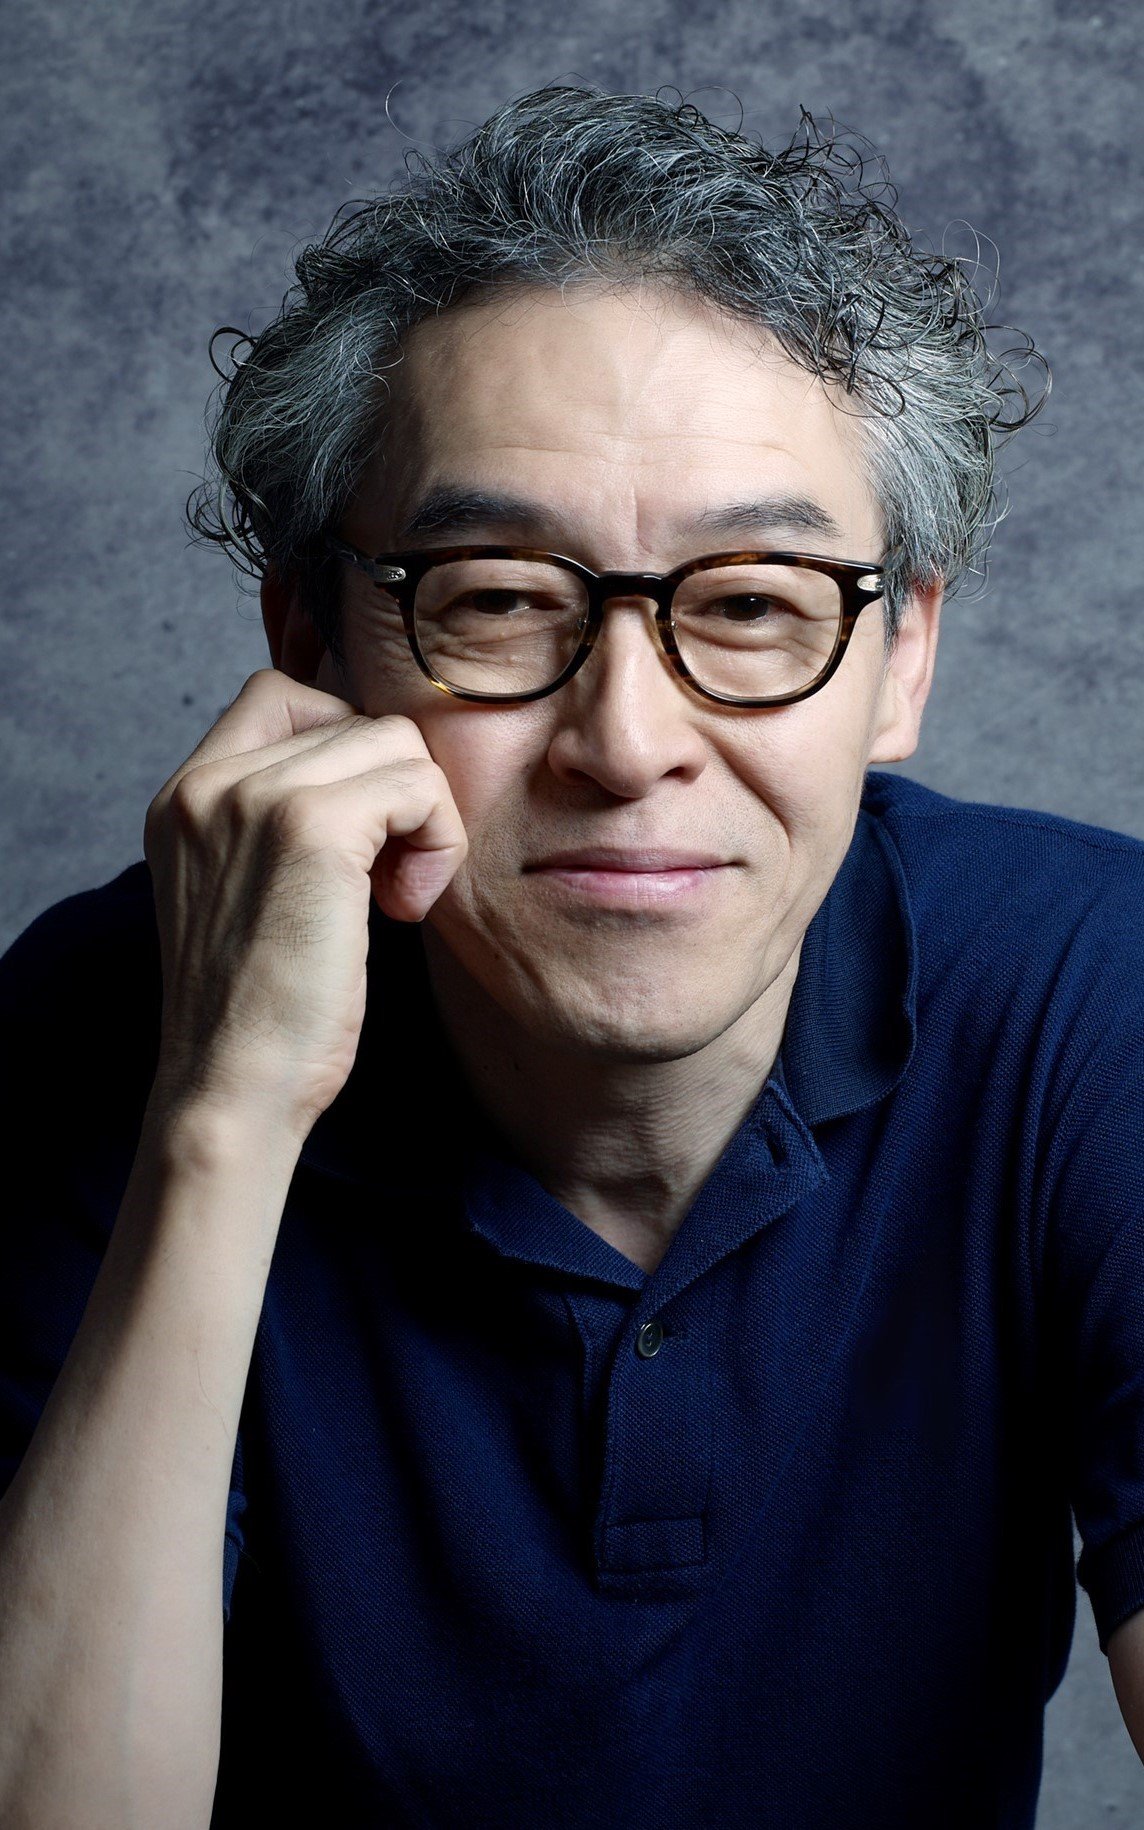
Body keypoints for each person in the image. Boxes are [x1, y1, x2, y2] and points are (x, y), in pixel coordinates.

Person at [0, 81, 1140, 1829]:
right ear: (311, 645)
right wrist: (217, 1119)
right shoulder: (101, 1022)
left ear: (900, 661)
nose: (627, 741)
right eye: (496, 597)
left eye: (750, 603)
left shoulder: (1094, 993)